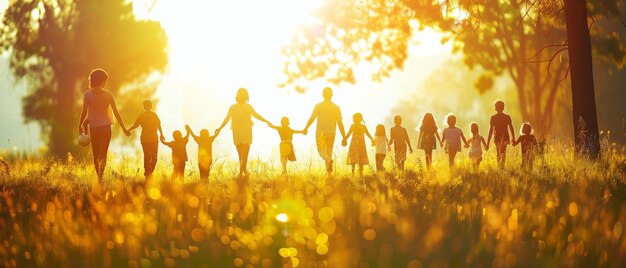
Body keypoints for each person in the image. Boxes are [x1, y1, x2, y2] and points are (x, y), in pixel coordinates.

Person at [78, 69, 129, 184]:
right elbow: (116, 114)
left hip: (94, 129)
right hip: (106, 128)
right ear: (101, 81)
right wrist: (124, 129)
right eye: (105, 80)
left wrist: (80, 125)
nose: (106, 83)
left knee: (96, 155)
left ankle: (99, 178)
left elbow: (84, 112)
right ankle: (101, 177)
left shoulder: (87, 95)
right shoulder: (108, 95)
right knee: (103, 155)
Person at [216, 88, 272, 177]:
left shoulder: (233, 107)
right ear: (246, 96)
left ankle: (242, 172)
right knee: (243, 154)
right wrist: (266, 121)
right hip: (244, 132)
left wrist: (219, 128)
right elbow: (256, 115)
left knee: (241, 154)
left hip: (237, 132)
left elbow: (226, 120)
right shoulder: (245, 107)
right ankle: (243, 172)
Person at [303, 87, 346, 176]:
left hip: (321, 133)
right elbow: (340, 123)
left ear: (323, 95)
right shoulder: (336, 107)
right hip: (332, 133)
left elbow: (312, 118)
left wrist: (306, 128)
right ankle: (329, 175)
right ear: (331, 95)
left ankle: (329, 164)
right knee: (329, 153)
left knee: (321, 152)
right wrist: (344, 137)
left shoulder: (318, 105)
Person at [127, 99, 164, 179]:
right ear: (151, 106)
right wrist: (161, 134)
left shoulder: (142, 115)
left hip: (145, 139)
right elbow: (159, 125)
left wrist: (129, 130)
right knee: (154, 156)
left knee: (147, 155)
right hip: (153, 139)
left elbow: (135, 125)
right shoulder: (154, 115)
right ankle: (149, 173)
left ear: (144, 106)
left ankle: (147, 172)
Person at [487, 100, 515, 168]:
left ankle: (500, 166)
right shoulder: (507, 117)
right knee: (503, 152)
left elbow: (490, 130)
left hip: (497, 138)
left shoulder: (493, 117)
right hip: (505, 137)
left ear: (495, 108)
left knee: (498, 152)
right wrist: (513, 138)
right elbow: (511, 128)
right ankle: (502, 166)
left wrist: (488, 143)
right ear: (503, 108)